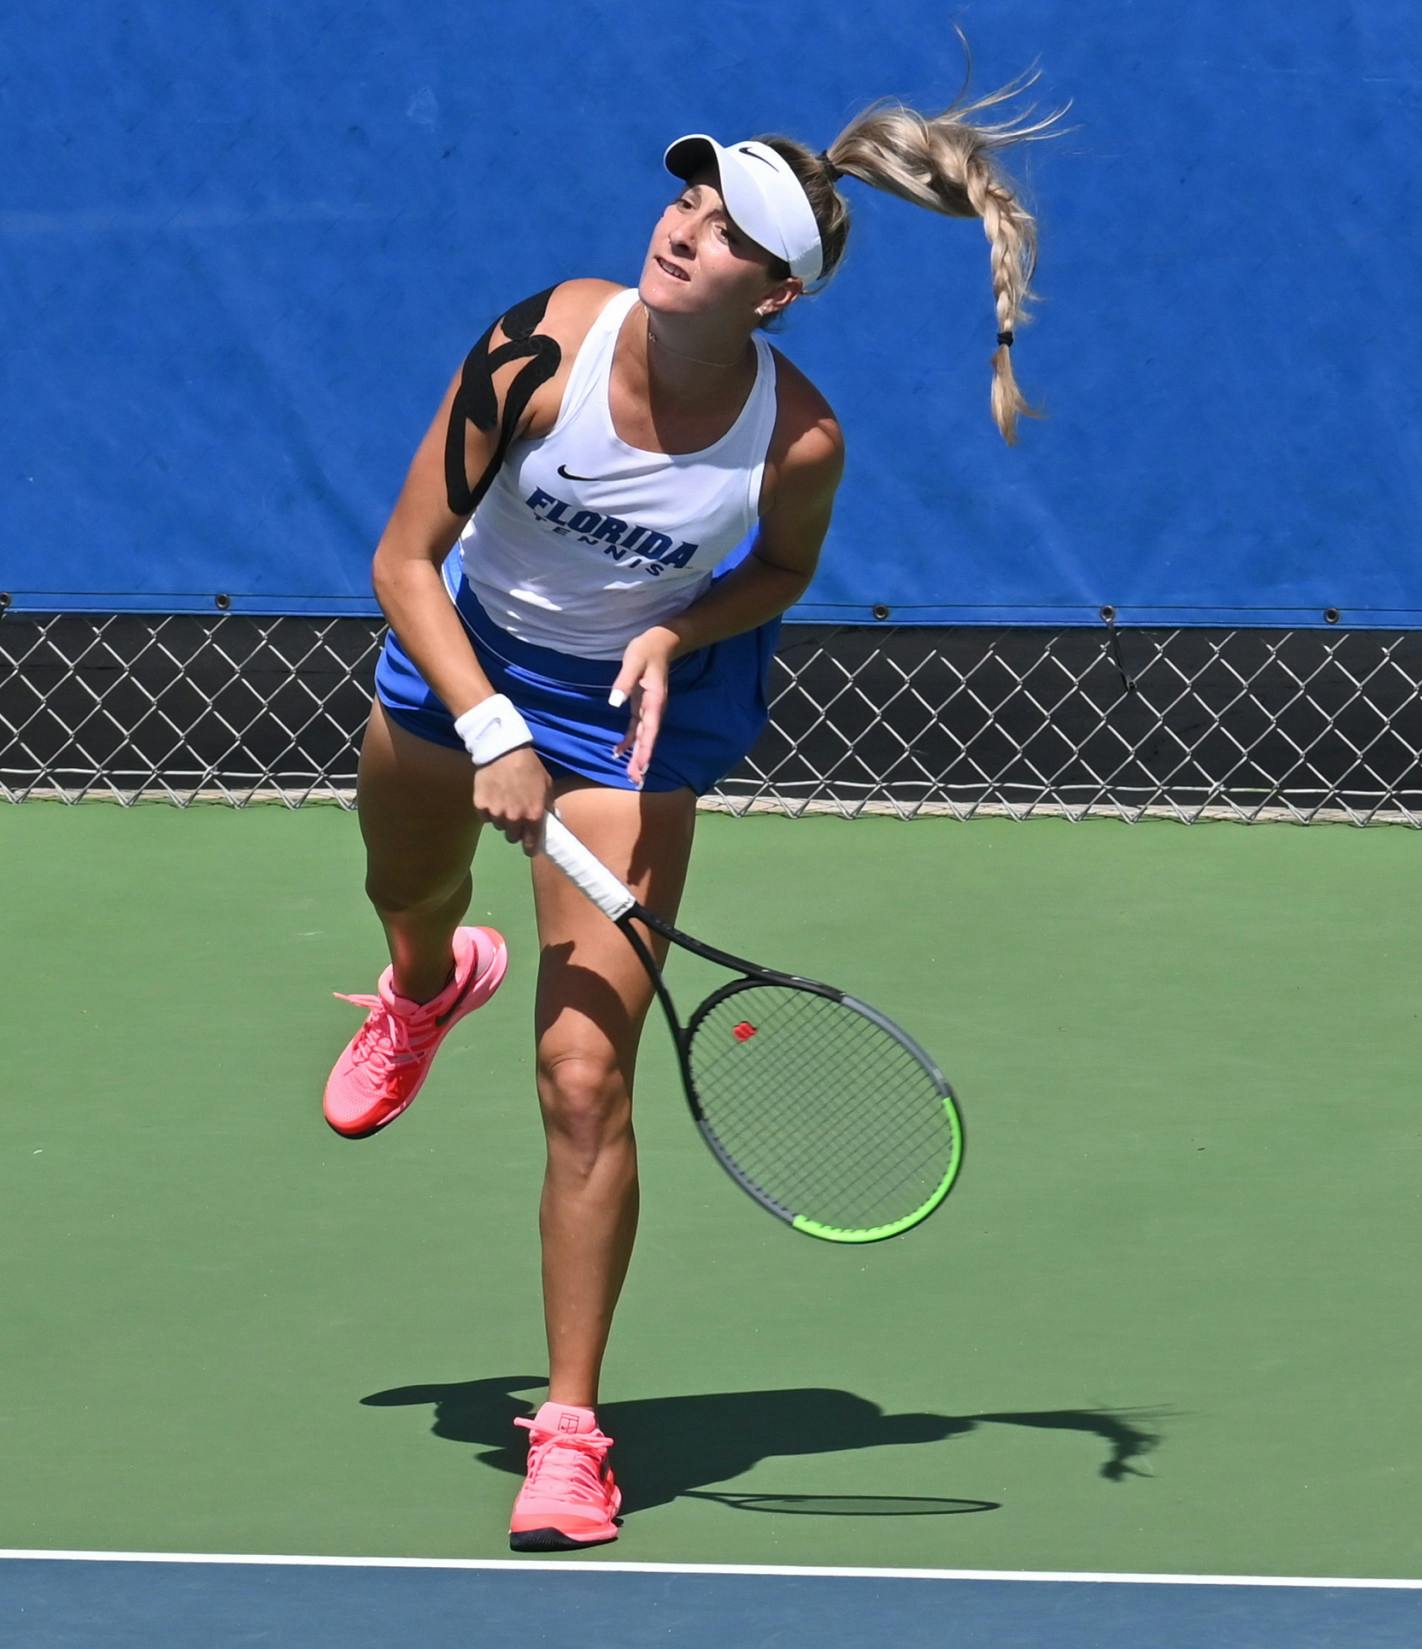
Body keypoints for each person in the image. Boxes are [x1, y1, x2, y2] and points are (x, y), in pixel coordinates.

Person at [323, 67, 1061, 1551]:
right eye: (690, 199)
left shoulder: (798, 441)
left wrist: (675, 628)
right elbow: (406, 559)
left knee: (584, 1079)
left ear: (773, 295)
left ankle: (571, 1433)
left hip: (626, 724)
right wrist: (490, 729)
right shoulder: (542, 343)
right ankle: (426, 983)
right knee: (409, 886)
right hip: (468, 654)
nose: (684, 229)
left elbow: (780, 571)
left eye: (728, 232)